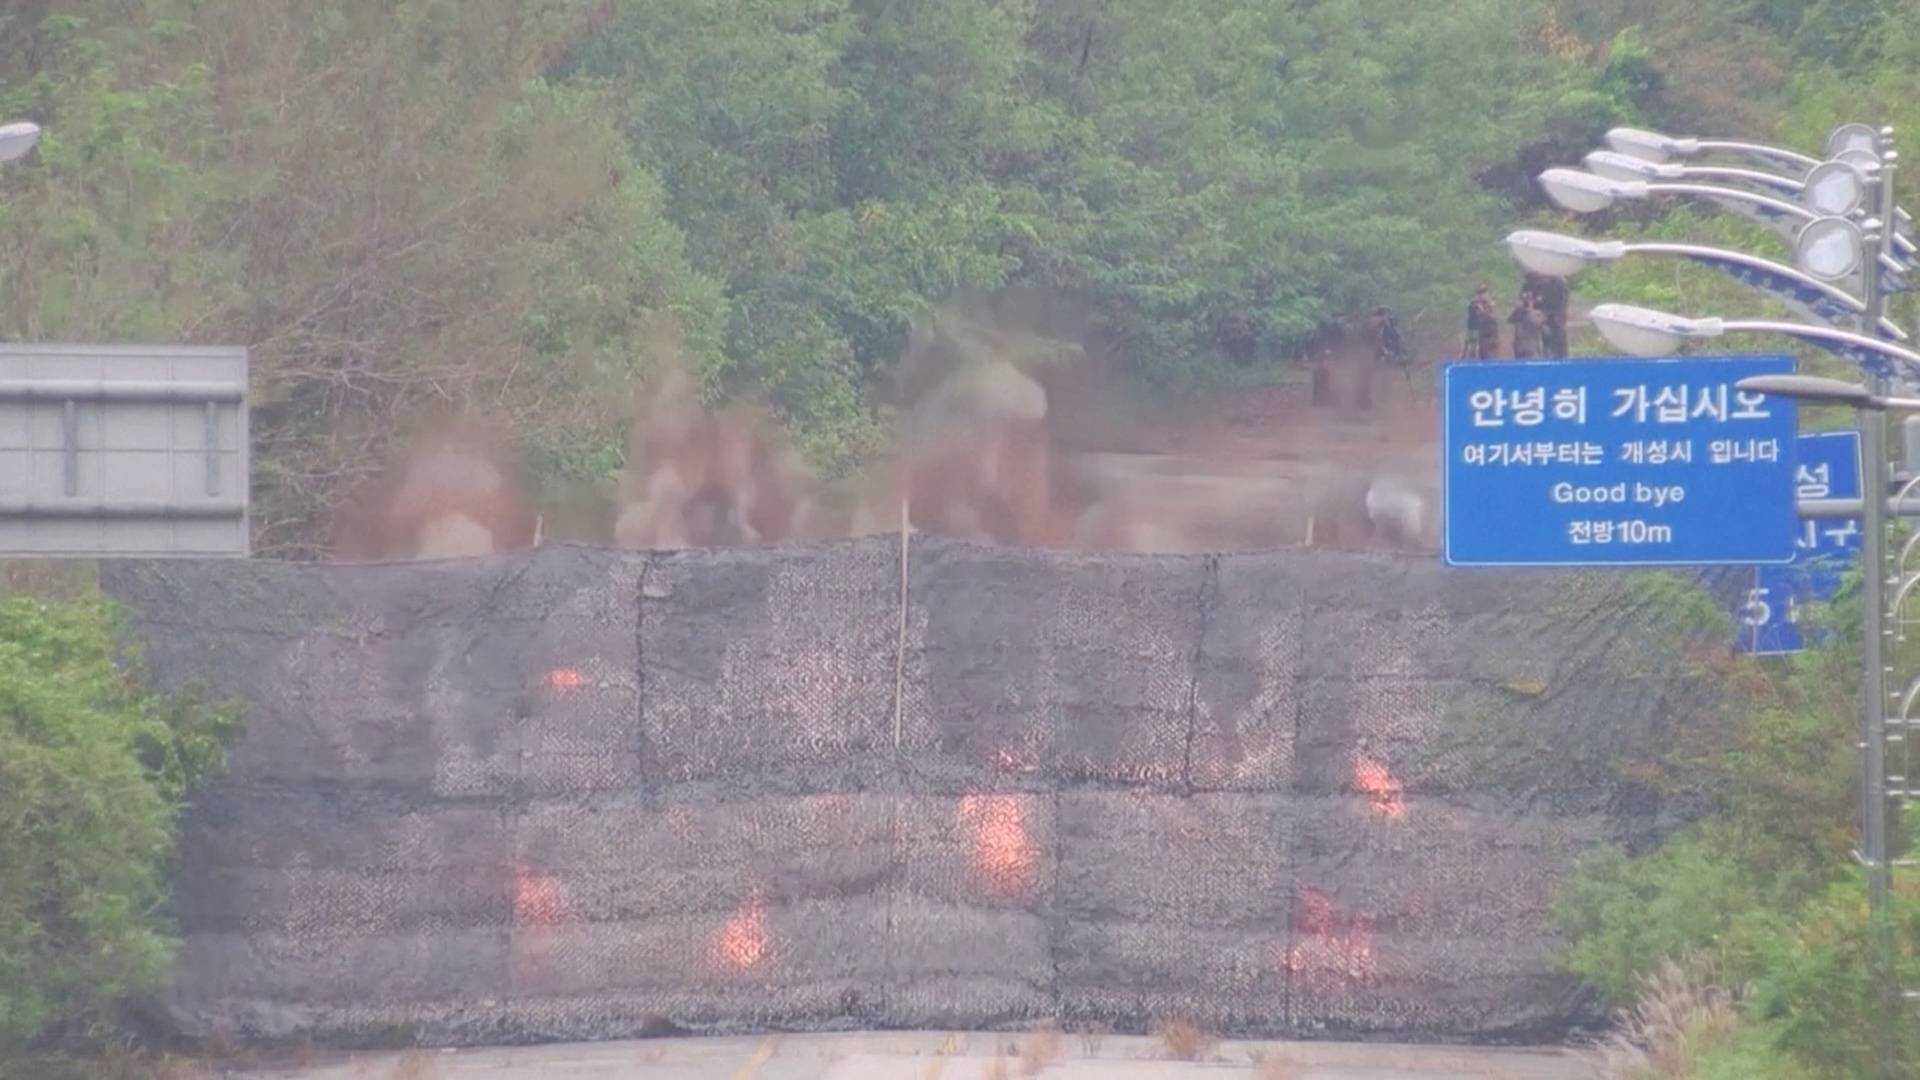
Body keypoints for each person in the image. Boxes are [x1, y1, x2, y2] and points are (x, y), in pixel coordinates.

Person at [1526, 272, 1570, 357]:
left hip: (1556, 319)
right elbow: (1537, 302)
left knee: (1558, 344)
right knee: (1547, 343)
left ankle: (1559, 358)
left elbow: (1560, 304)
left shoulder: (1559, 283)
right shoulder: (1540, 284)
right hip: (1546, 320)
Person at [1463, 285, 1500, 359]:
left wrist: (1482, 309)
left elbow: (1492, 318)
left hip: (1490, 336)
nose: (1481, 295)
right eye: (1480, 293)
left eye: (1483, 293)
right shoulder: (1475, 304)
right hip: (1477, 330)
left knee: (1489, 355)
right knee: (1475, 351)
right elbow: (1471, 315)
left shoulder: (1490, 305)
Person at [1508, 291, 1545, 359]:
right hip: (1528, 346)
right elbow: (1510, 319)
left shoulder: (1520, 312)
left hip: (1524, 346)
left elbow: (1510, 320)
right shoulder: (1536, 314)